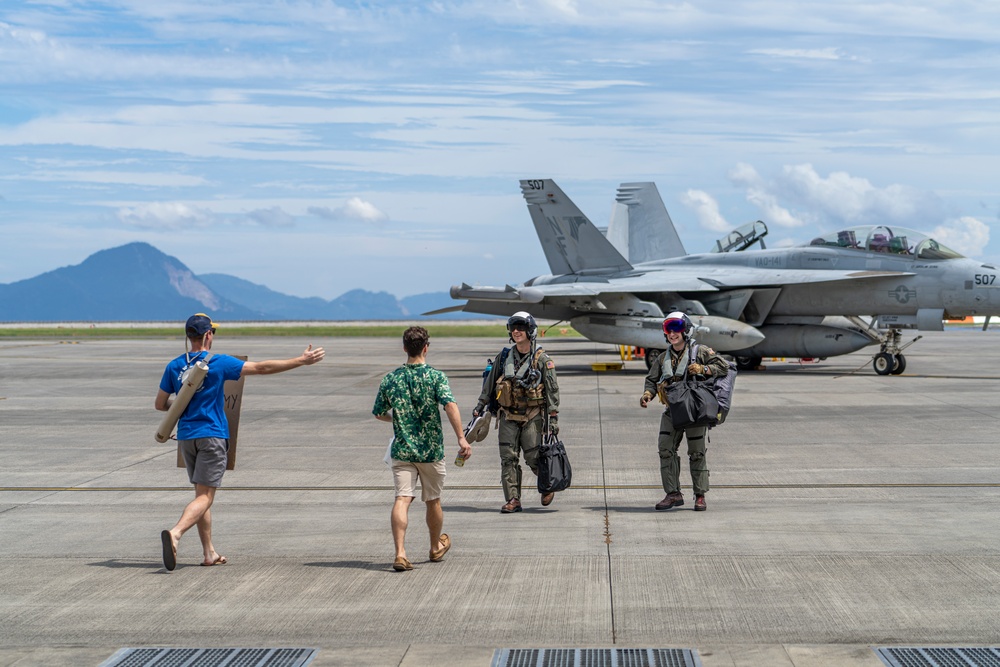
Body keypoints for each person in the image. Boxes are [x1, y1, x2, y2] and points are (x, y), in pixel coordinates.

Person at [155, 313, 325, 571]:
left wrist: (184, 405)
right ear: (208, 335)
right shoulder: (219, 362)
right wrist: (300, 361)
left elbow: (160, 404)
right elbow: (261, 367)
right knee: (206, 496)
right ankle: (176, 533)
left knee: (202, 494)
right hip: (212, 435)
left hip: (187, 437)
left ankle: (209, 552)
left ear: (188, 337)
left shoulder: (174, 365)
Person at [373, 326, 471, 572]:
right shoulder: (436, 377)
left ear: (405, 347)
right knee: (433, 500)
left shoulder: (391, 378)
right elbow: (449, 405)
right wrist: (461, 438)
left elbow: (378, 413)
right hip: (430, 451)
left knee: (402, 498)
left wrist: (398, 419)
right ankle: (435, 547)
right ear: (426, 347)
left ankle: (400, 553)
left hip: (402, 450)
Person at [640, 311, 728, 512]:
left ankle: (699, 495)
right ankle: (673, 494)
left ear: (686, 329)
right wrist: (647, 394)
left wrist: (703, 370)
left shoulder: (700, 352)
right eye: (669, 329)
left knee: (696, 453)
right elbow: (652, 380)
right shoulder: (663, 357)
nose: (672, 333)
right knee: (665, 449)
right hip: (673, 410)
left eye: (677, 328)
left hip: (695, 410)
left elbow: (723, 367)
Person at [474, 311, 560, 513]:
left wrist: (553, 419)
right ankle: (513, 499)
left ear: (530, 330)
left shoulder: (542, 360)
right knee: (508, 458)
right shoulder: (504, 357)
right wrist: (480, 406)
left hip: (532, 416)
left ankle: (547, 485)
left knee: (533, 457)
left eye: (521, 327)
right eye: (513, 328)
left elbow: (552, 391)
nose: (516, 331)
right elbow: (489, 385)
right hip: (508, 416)